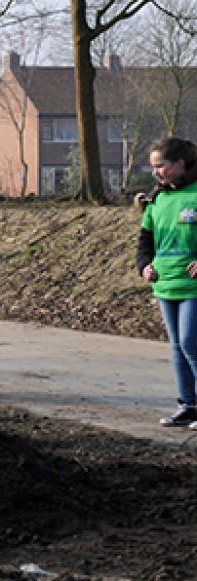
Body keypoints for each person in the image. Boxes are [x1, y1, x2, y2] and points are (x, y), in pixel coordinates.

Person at [136, 137, 197, 428]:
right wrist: (144, 266)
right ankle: (188, 405)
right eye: (153, 168)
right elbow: (145, 242)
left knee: (190, 342)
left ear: (180, 164)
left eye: (161, 166)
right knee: (176, 346)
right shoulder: (157, 199)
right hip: (165, 283)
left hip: (193, 285)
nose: (157, 172)